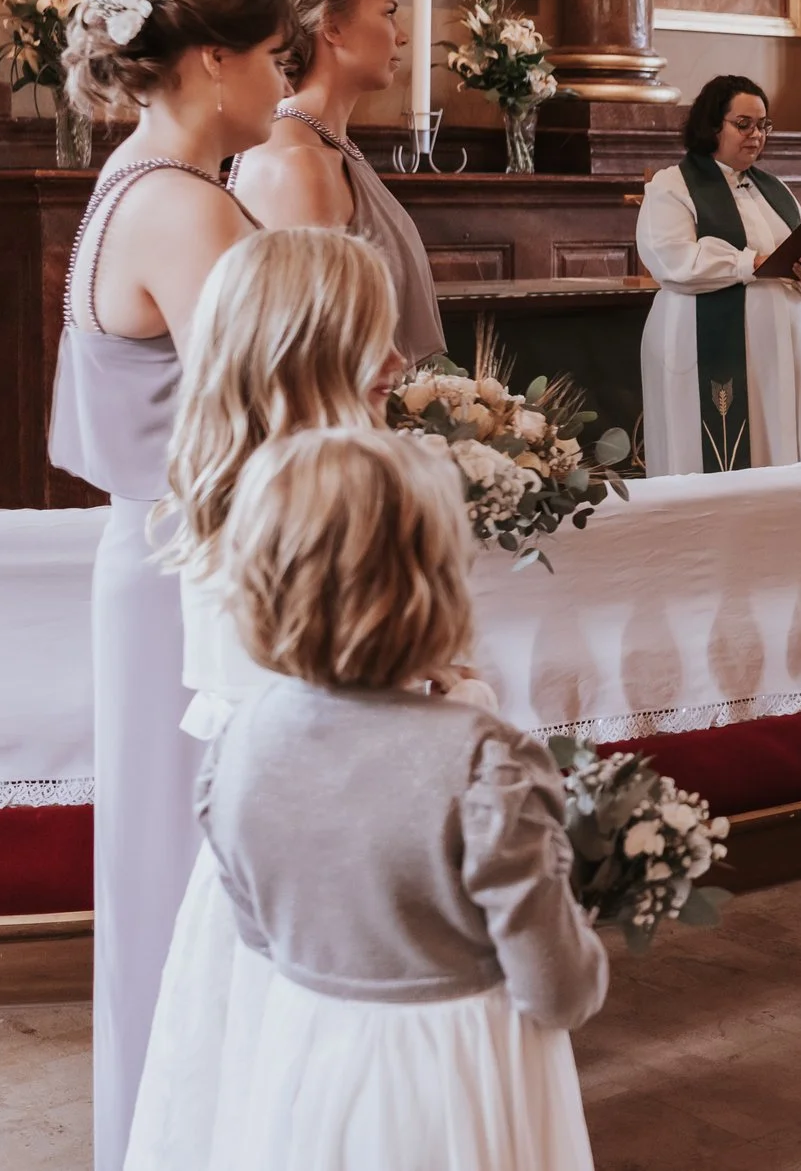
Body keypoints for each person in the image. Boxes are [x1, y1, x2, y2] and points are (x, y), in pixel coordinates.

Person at [196, 427, 606, 1170]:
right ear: (434, 582)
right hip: (455, 1076)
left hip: (303, 1056)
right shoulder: (485, 763)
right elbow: (557, 991)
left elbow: (261, 935)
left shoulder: (237, 744)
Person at [48, 0, 293, 1171]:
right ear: (211, 60)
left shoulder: (142, 176)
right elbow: (258, 421)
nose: (280, 85)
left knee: (181, 849)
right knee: (198, 857)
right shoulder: (183, 203)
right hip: (195, 567)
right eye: (272, 59)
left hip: (163, 553)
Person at [125, 228, 405, 1171]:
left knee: (247, 1064)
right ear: (308, 351)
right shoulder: (330, 502)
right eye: (375, 339)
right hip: (338, 840)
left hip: (251, 841)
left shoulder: (224, 480)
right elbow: (350, 697)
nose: (400, 362)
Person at [231, 0, 445, 362]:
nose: (402, 37)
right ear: (331, 26)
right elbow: (311, 351)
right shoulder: (298, 164)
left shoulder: (331, 147)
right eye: (389, 13)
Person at [637, 74, 801, 475]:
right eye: (743, 124)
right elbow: (672, 258)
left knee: (778, 447)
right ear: (712, 125)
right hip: (704, 341)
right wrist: (749, 263)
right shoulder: (672, 185)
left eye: (763, 125)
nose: (756, 135)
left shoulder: (772, 188)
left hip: (779, 353)